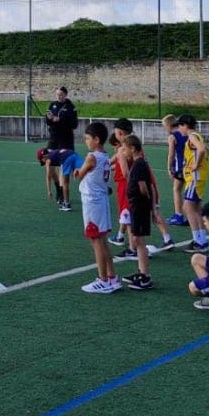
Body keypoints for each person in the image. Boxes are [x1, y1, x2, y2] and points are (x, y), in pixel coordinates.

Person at [73, 121, 120, 294]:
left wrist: (76, 171)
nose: (85, 141)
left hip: (92, 202)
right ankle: (112, 277)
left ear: (97, 139)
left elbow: (80, 174)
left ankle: (103, 280)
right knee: (103, 240)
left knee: (96, 241)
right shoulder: (106, 157)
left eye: (87, 138)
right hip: (101, 201)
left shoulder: (92, 157)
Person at [121, 134, 157, 290]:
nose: (123, 152)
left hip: (139, 207)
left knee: (139, 241)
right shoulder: (138, 164)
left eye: (125, 148)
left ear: (133, 149)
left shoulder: (139, 165)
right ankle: (141, 272)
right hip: (137, 206)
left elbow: (144, 187)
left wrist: (149, 204)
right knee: (137, 240)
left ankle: (145, 276)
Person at [176, 114, 209, 253]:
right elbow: (207, 150)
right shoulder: (197, 136)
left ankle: (198, 241)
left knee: (187, 208)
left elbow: (202, 149)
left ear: (185, 125)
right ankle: (202, 239)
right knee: (196, 209)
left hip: (195, 177)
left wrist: (196, 164)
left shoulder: (192, 136)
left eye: (180, 125)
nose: (179, 129)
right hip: (198, 177)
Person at [161, 114, 190, 227]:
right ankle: (190, 215)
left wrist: (169, 168)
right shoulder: (186, 133)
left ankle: (178, 215)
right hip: (190, 167)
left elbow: (171, 154)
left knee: (177, 189)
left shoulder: (172, 136)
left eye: (164, 126)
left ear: (169, 125)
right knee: (188, 191)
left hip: (180, 168)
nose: (164, 129)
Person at [37, 145, 74, 210]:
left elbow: (48, 177)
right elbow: (49, 175)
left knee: (63, 180)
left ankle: (65, 201)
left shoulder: (48, 159)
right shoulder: (49, 155)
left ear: (43, 157)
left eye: (41, 160)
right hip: (68, 155)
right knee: (55, 173)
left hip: (65, 158)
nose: (43, 163)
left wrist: (49, 191)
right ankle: (60, 194)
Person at [44, 85, 79, 153]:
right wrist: (49, 118)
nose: (58, 96)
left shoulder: (71, 107)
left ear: (65, 95)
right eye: (57, 94)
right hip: (53, 137)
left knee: (64, 160)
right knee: (50, 159)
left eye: (61, 95)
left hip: (66, 139)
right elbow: (48, 122)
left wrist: (60, 120)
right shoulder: (52, 104)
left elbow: (74, 124)